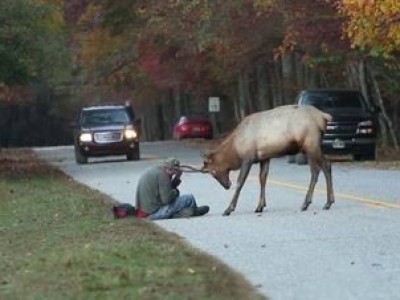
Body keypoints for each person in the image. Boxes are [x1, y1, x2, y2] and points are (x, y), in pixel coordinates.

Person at [135, 158, 209, 220]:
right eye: (174, 172)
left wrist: (177, 178)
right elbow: (166, 199)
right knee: (189, 198)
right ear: (169, 169)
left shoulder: (155, 170)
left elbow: (165, 189)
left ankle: (185, 213)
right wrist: (176, 192)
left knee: (180, 204)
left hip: (143, 212)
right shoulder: (163, 176)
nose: (174, 174)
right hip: (154, 213)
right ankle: (193, 212)